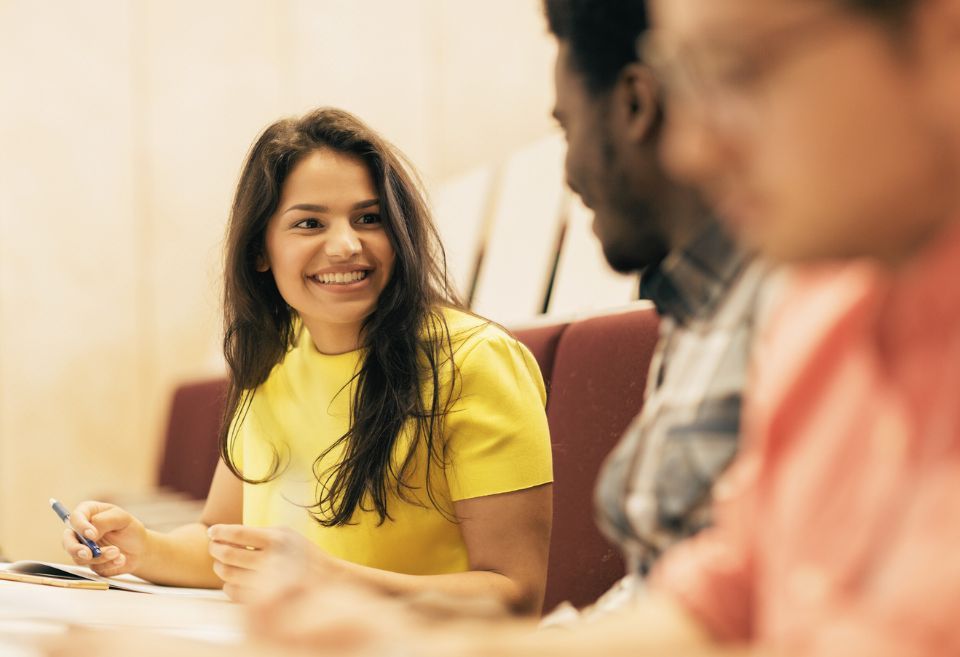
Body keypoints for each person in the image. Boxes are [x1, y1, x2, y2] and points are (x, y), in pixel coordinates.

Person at [58, 107, 554, 614]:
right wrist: (143, 547)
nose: (345, 245)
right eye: (310, 223)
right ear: (260, 251)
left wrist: (326, 578)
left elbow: (514, 596)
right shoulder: (269, 362)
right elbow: (224, 544)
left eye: (369, 218)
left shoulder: (478, 361)